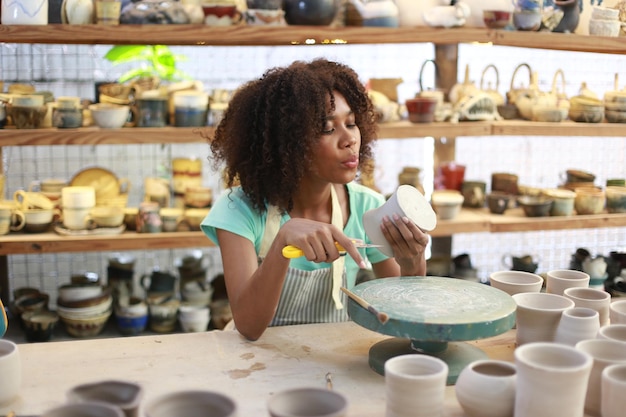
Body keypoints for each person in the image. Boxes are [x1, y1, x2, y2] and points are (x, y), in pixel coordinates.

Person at [201, 58, 430, 341]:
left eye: (351, 123)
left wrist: (413, 265)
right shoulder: (238, 209)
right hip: (257, 364)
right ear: (287, 142)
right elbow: (248, 325)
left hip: (333, 361)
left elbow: (400, 316)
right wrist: (282, 242)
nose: (349, 140)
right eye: (327, 128)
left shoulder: (366, 207)